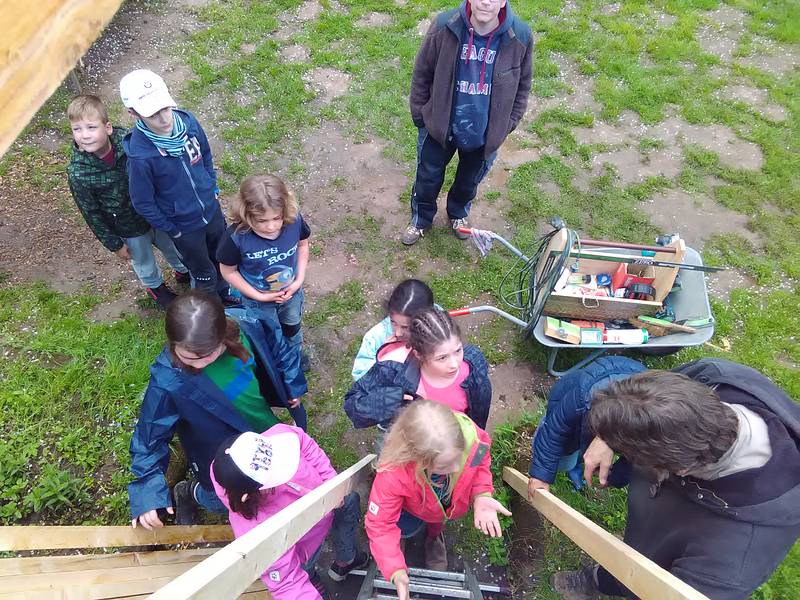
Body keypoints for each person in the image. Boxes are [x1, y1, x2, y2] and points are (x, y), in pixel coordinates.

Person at [551, 359, 800, 600]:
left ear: (676, 470)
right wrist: (607, 436)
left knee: (641, 576)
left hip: (666, 566)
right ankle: (600, 577)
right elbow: (642, 403)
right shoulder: (712, 376)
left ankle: (604, 582)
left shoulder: (729, 561)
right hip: (654, 526)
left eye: (626, 453)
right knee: (636, 554)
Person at [128, 291, 307, 529]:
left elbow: (279, 349)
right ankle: (189, 492)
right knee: (221, 499)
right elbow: (149, 436)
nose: (201, 363)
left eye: (208, 354)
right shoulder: (169, 380)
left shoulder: (248, 324)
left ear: (223, 335)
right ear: (174, 344)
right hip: (217, 454)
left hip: (262, 429)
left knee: (268, 480)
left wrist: (292, 384)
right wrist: (147, 490)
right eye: (190, 357)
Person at [402, 0, 533, 245]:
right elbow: (422, 72)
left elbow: (523, 85)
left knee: (468, 182)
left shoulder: (520, 36)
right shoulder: (445, 25)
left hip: (484, 134)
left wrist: (507, 124)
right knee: (427, 178)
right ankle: (421, 219)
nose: (486, 2)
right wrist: (421, 116)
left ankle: (457, 214)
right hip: (439, 126)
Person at [365, 401, 511, 599]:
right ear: (417, 460)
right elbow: (380, 524)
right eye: (444, 466)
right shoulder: (393, 473)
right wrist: (395, 569)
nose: (456, 468)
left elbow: (479, 462)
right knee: (406, 528)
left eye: (459, 457)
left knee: (438, 519)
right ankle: (400, 545)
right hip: (415, 507)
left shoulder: (473, 439)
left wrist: (481, 493)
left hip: (445, 506)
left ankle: (434, 537)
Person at [211, 429, 370, 599]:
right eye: (273, 478)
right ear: (248, 496)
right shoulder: (257, 533)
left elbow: (301, 440)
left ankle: (346, 560)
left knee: (350, 501)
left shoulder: (263, 447)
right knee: (305, 566)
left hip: (326, 508)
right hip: (305, 544)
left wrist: (331, 484)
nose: (286, 468)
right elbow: (287, 583)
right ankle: (310, 576)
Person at [66, 94, 188, 309]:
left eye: (91, 127)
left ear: (108, 128)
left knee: (173, 245)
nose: (85, 135)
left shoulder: (129, 142)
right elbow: (91, 213)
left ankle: (182, 270)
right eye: (77, 129)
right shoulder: (78, 172)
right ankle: (156, 287)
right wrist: (114, 244)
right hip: (128, 227)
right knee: (143, 260)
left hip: (154, 213)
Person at [120, 69, 232, 303]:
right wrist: (172, 229)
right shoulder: (141, 157)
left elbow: (205, 154)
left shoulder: (189, 123)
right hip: (184, 227)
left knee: (221, 257)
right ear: (133, 113)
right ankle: (210, 311)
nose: (164, 119)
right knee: (203, 273)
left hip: (211, 211)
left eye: (165, 108)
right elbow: (143, 202)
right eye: (153, 114)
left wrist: (211, 187)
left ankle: (226, 297)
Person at [344, 307, 492, 430]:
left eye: (458, 350)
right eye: (442, 358)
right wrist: (387, 400)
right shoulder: (393, 372)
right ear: (419, 355)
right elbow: (353, 406)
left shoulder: (473, 359)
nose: (454, 364)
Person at [216, 175, 310, 361]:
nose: (271, 226)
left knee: (292, 325)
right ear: (245, 214)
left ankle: (294, 354)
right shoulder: (236, 238)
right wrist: (259, 296)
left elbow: (303, 245)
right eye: (261, 220)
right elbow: (228, 271)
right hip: (257, 300)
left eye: (277, 218)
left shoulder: (294, 221)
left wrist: (298, 280)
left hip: (291, 292)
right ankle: (274, 359)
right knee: (267, 333)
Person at [527, 357, 646, 497]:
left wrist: (615, 477)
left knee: (581, 453)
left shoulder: (655, 425)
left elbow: (640, 458)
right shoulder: (582, 399)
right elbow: (555, 431)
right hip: (568, 410)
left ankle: (578, 463)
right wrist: (541, 475)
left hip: (598, 423)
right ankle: (564, 456)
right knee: (563, 460)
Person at [351, 279, 434, 381]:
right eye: (393, 322)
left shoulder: (437, 325)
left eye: (406, 327)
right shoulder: (375, 338)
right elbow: (359, 376)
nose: (398, 333)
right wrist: (383, 360)